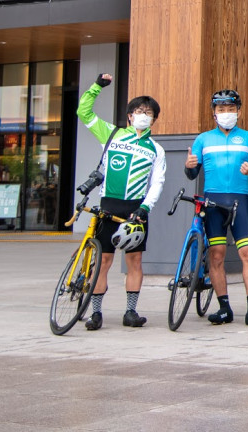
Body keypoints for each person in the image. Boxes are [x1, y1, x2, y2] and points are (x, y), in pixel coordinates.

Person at [75, 73, 166, 330]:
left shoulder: (156, 149)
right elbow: (83, 111)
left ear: (154, 119)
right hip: (109, 205)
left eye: (148, 112)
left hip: (136, 209)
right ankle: (95, 313)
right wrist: (97, 86)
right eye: (138, 111)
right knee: (103, 261)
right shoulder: (111, 134)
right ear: (129, 115)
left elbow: (157, 182)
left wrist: (145, 208)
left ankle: (131, 312)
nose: (143, 115)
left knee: (134, 261)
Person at [185, 89, 248, 326]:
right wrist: (189, 165)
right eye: (221, 109)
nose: (226, 113)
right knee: (216, 256)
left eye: (230, 109)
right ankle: (224, 308)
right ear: (214, 113)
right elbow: (192, 173)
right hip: (213, 202)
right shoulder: (202, 139)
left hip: (239, 201)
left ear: (238, 111)